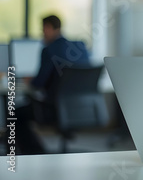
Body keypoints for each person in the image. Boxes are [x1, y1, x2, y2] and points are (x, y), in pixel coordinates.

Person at [14, 15, 90, 154]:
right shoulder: (80, 46)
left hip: (54, 109)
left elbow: (38, 83)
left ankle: (35, 152)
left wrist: (30, 80)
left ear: (48, 28)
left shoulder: (49, 49)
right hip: (82, 108)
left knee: (14, 114)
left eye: (43, 30)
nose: (42, 34)